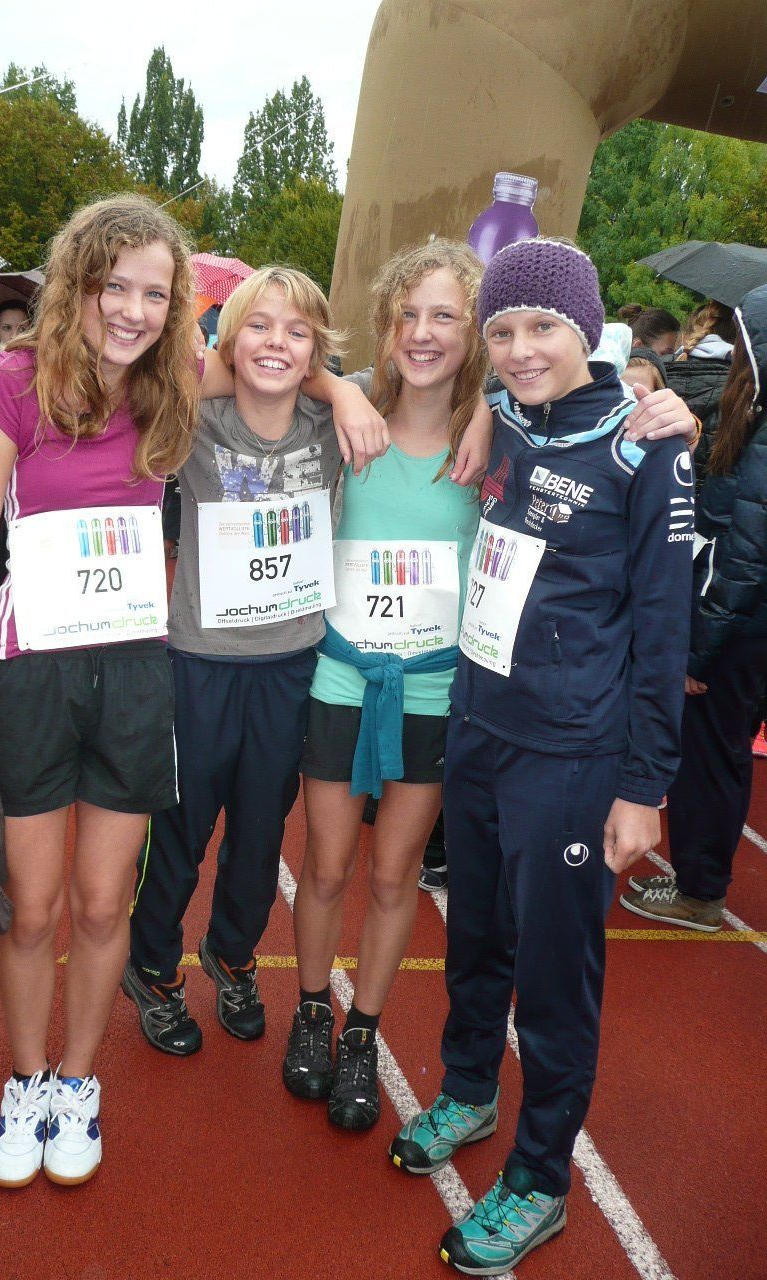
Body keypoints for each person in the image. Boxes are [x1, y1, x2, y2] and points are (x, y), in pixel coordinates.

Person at [389, 238, 697, 1274]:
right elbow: (495, 396)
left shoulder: (645, 443)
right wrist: (488, 402)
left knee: (556, 977)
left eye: (544, 329)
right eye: (504, 331)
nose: (522, 350)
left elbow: (665, 632)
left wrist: (643, 787)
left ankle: (539, 1178)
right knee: (474, 936)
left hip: (572, 754)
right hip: (481, 726)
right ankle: (470, 1088)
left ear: (587, 330)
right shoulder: (510, 414)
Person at [0, 194, 209, 1188]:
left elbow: (286, 350)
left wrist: (344, 394)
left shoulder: (176, 381)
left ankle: (79, 1082)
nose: (132, 310)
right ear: (77, 285)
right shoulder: (14, 382)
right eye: (113, 286)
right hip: (32, 670)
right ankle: (28, 1079)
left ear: (175, 308)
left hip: (132, 674)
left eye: (154, 294)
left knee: (99, 904)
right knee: (32, 909)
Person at [122, 266, 392, 1057]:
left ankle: (232, 956)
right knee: (180, 833)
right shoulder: (195, 420)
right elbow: (151, 375)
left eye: (297, 332)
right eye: (259, 328)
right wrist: (293, 370)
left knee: (258, 835)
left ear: (317, 349)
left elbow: (443, 388)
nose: (277, 343)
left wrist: (337, 390)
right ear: (229, 342)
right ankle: (153, 968)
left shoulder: (329, 421)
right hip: (199, 665)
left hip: (291, 666)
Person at [285, 240, 488, 1132]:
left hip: (434, 692)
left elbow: (594, 393)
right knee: (327, 866)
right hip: (342, 678)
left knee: (396, 873)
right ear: (387, 325)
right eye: (407, 314)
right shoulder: (351, 419)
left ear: (472, 331)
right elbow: (251, 365)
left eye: (444, 315)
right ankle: (312, 1012)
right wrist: (336, 388)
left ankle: (362, 1033)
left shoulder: (493, 439)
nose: (423, 332)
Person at [621, 284, 767, 930]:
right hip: (743, 625)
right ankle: (700, 877)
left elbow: (746, 554)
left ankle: (701, 890)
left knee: (711, 755)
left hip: (736, 629)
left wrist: (698, 650)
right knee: (719, 751)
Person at [666, 300, 736, 487]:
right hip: (711, 493)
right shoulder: (741, 385)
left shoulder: (658, 369)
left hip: (654, 488)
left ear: (686, 334)